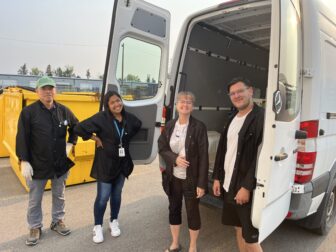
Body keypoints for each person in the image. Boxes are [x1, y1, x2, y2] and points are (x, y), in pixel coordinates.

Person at [16, 76, 78, 246]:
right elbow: (22, 137)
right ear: (37, 92)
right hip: (37, 164)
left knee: (59, 195)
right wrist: (24, 160)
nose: (48, 91)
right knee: (35, 199)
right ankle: (35, 227)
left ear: (55, 91)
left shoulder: (64, 111)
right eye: (44, 89)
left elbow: (76, 126)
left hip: (59, 163)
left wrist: (71, 143)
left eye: (51, 88)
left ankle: (57, 221)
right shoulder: (28, 113)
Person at [74, 90, 141, 244]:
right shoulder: (101, 118)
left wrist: (126, 138)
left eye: (118, 100)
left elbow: (138, 125)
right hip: (105, 164)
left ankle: (114, 221)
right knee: (103, 197)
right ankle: (97, 226)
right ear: (107, 105)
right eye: (112, 102)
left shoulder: (129, 119)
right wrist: (95, 138)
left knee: (117, 195)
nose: (117, 104)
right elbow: (78, 128)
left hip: (122, 164)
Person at [212, 77, 264, 252]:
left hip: (243, 186)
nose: (236, 95)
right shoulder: (232, 117)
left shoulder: (261, 118)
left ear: (250, 91)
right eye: (232, 93)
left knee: (250, 237)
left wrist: (247, 187)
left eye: (240, 91)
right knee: (238, 228)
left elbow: (260, 156)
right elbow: (223, 150)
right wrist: (218, 177)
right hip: (229, 184)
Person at [158, 91, 209, 252]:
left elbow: (203, 157)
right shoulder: (170, 125)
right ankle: (175, 243)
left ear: (192, 107)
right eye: (182, 101)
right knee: (173, 209)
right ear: (177, 105)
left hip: (191, 179)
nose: (185, 104)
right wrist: (174, 159)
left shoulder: (199, 127)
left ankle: (193, 246)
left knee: (192, 212)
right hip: (173, 178)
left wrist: (202, 184)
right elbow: (162, 147)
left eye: (188, 102)